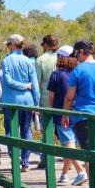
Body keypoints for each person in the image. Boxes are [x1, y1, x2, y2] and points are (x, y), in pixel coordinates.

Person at [61, 40, 95, 188]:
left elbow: (69, 97)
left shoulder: (78, 71)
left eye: (76, 53)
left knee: (89, 154)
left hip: (84, 118)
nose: (75, 57)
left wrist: (65, 113)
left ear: (82, 52)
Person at [0, 34, 40, 172]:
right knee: (26, 130)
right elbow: (35, 85)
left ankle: (15, 158)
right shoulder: (29, 62)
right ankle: (25, 162)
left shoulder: (6, 61)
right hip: (27, 101)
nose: (7, 47)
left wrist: (23, 86)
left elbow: (8, 81)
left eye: (7, 44)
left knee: (11, 131)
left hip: (11, 102)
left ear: (12, 44)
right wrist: (36, 103)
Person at [46, 45, 85, 184]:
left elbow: (51, 96)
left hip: (62, 113)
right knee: (70, 144)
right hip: (78, 112)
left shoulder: (57, 74)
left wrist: (51, 110)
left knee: (68, 144)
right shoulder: (78, 72)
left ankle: (81, 171)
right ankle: (64, 175)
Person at [34, 35, 60, 169]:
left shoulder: (40, 60)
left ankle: (45, 158)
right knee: (63, 129)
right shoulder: (63, 58)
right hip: (62, 99)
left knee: (47, 131)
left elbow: (37, 83)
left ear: (45, 45)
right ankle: (69, 159)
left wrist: (36, 103)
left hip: (46, 99)